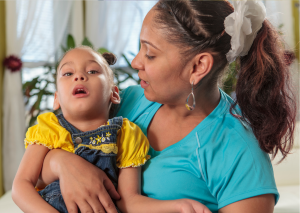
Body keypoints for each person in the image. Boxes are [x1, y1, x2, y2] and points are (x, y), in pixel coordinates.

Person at [26, 0, 297, 213]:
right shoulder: (129, 102)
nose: (135, 63)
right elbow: (37, 173)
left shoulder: (239, 153)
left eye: (150, 53)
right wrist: (63, 164)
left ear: (198, 67)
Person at [12, 46, 211, 213]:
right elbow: (21, 186)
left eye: (92, 71)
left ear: (114, 94)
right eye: (68, 73)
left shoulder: (127, 135)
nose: (79, 76)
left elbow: (129, 201)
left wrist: (177, 206)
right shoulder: (48, 129)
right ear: (56, 99)